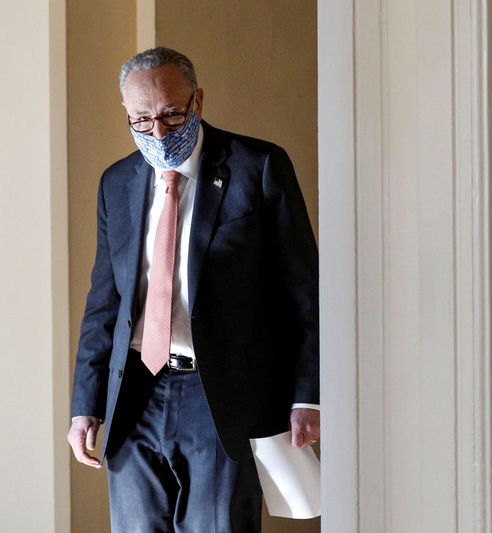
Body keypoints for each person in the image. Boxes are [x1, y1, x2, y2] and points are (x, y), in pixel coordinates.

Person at [66, 47, 320, 532]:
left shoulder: (257, 166)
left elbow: (303, 290)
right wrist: (85, 406)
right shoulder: (116, 183)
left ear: (198, 100)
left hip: (220, 394)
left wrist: (307, 396)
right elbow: (105, 302)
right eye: (141, 119)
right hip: (134, 392)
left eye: (170, 114)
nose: (157, 132)